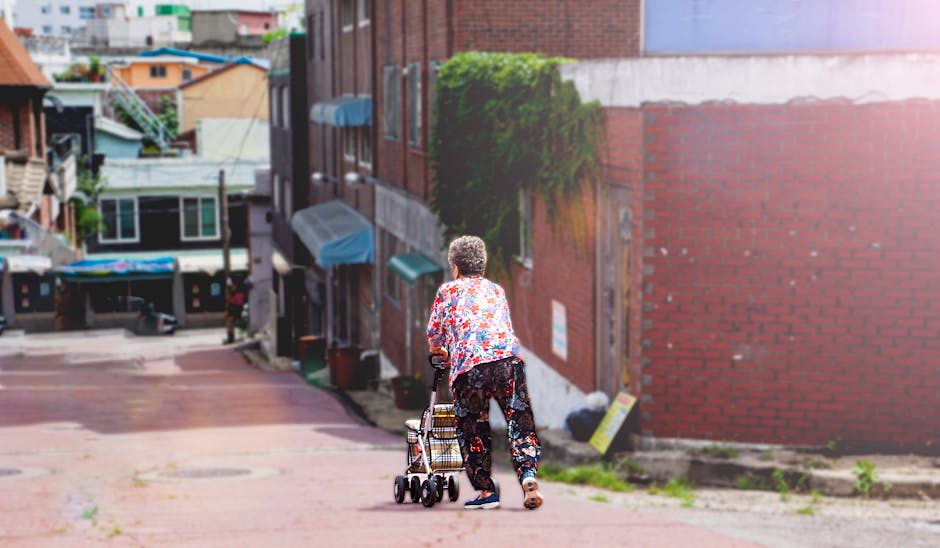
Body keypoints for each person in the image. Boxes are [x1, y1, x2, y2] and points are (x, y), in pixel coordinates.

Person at [426, 235, 542, 510]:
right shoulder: (496, 290)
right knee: (520, 422)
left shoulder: (447, 292)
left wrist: (440, 351)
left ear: (455, 267)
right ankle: (527, 475)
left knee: (473, 428)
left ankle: (486, 492)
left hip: (470, 369)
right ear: (483, 266)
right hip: (508, 363)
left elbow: (435, 335)